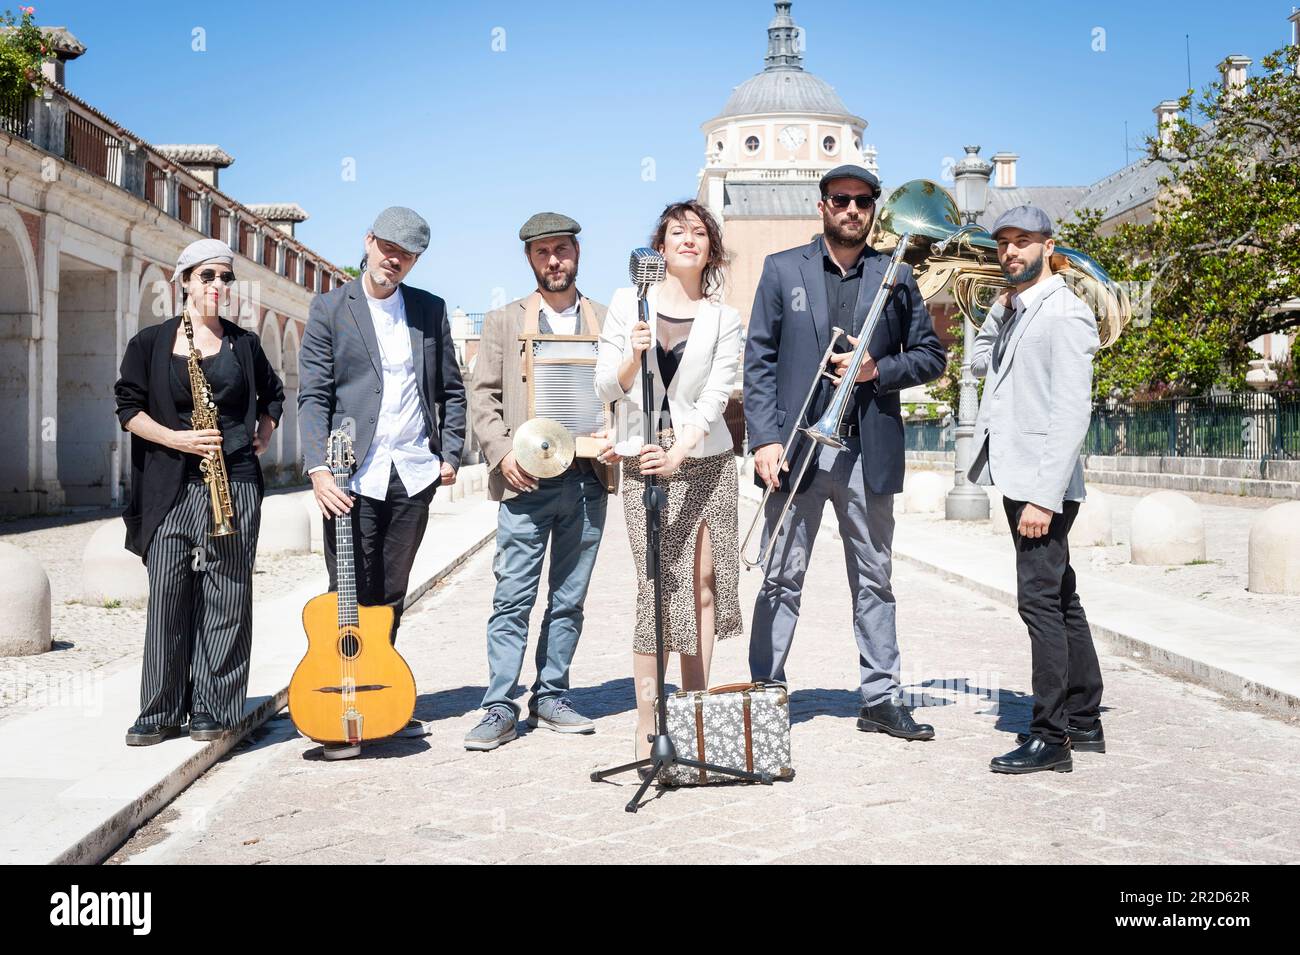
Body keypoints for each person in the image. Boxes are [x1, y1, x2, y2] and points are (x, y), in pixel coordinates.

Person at [744, 164, 947, 742]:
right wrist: (763, 438)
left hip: (866, 450)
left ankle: (881, 698)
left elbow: (932, 356)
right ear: (823, 206)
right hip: (796, 452)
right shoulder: (782, 269)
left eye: (863, 201)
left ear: (874, 208)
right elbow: (758, 358)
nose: (852, 209)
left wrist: (878, 369)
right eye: (841, 200)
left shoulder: (897, 275)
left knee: (874, 578)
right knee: (781, 577)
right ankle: (766, 690)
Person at [298, 207, 466, 752]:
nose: (393, 259)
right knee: (348, 590)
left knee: (391, 593)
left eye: (406, 254)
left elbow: (452, 390)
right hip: (350, 474)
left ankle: (378, 695)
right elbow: (314, 395)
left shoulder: (429, 311)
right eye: (386, 246)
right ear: (368, 241)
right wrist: (319, 467)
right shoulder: (329, 307)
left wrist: (452, 452)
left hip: (413, 471)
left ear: (416, 260)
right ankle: (341, 699)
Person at [115, 238, 284, 746]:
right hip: (171, 483)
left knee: (228, 592)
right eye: (207, 275)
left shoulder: (244, 344)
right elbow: (128, 409)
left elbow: (273, 393)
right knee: (168, 593)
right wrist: (176, 438)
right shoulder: (150, 343)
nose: (217, 286)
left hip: (234, 480)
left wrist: (266, 429)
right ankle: (159, 708)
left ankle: (215, 706)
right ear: (184, 280)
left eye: (225, 277)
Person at [464, 213, 620, 751]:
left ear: (578, 252)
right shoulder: (507, 320)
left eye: (562, 249)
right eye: (542, 252)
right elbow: (481, 396)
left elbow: (628, 393)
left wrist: (617, 429)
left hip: (586, 479)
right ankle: (500, 705)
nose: (554, 260)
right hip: (524, 480)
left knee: (569, 598)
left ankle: (552, 694)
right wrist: (501, 451)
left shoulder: (607, 320)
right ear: (530, 260)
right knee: (512, 596)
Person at [596, 200, 743, 762]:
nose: (688, 238)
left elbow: (715, 394)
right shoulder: (625, 305)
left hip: (704, 462)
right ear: (658, 248)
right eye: (677, 231)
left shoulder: (723, 318)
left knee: (703, 587)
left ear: (711, 249)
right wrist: (631, 359)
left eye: (699, 232)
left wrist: (683, 449)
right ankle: (648, 724)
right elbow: (604, 388)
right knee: (659, 589)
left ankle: (696, 714)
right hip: (643, 463)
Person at [968, 205, 1105, 775]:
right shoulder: (1019, 310)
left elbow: (1073, 414)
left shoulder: (1065, 315)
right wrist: (999, 311)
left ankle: (1051, 737)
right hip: (1021, 475)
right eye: (1003, 243)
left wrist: (1044, 497)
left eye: (1022, 242)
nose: (1010, 253)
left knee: (1039, 604)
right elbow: (978, 365)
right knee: (1061, 595)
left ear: (1050, 247)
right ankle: (1085, 718)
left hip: (1040, 486)